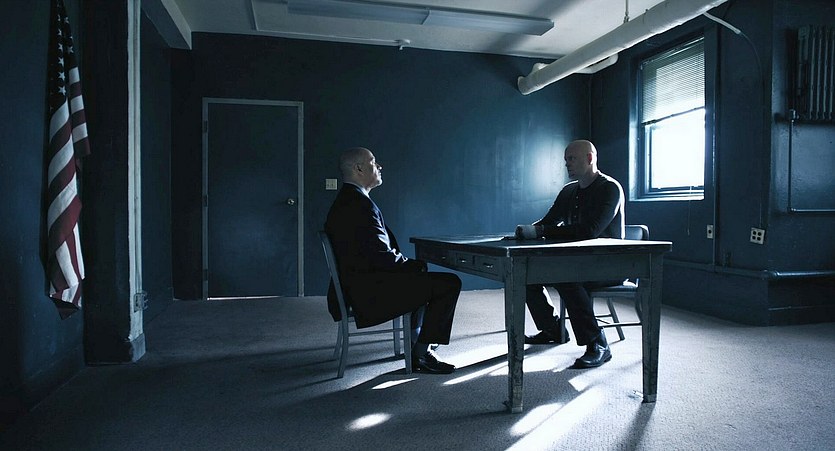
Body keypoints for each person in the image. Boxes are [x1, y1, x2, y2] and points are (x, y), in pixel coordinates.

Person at [324, 147, 462, 374]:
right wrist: (414, 266)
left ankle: (420, 338)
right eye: (373, 161)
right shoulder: (359, 205)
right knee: (449, 283)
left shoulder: (349, 200)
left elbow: (372, 254)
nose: (379, 166)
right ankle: (421, 353)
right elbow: (381, 256)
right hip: (369, 293)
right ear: (359, 168)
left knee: (422, 276)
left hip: (358, 285)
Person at [518, 140, 625, 369]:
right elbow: (548, 222)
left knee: (566, 277)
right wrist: (525, 233)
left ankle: (598, 343)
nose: (567, 164)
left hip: (610, 265)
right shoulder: (569, 191)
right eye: (566, 159)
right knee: (525, 274)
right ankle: (553, 329)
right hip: (577, 263)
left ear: (590, 158)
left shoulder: (610, 188)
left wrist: (541, 231)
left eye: (572, 158)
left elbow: (590, 230)